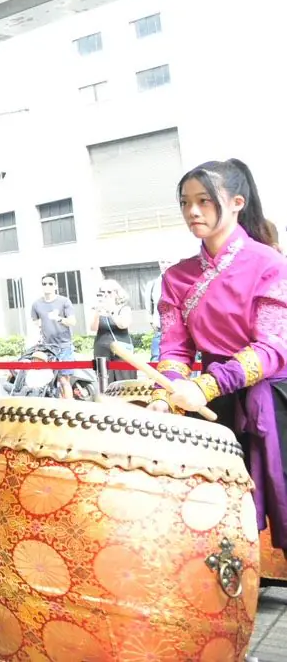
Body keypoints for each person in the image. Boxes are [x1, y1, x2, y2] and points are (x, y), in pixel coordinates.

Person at [148, 159, 287, 570]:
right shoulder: (177, 276)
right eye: (185, 202)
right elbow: (174, 349)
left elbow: (273, 347)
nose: (192, 211)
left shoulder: (270, 263)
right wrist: (166, 394)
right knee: (215, 513)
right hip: (212, 405)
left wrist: (204, 386)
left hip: (271, 399)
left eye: (205, 201)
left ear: (237, 202)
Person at [91, 279, 135, 383]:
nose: (106, 295)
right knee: (105, 381)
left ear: (117, 293)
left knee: (124, 380)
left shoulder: (124, 308)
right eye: (102, 292)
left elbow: (123, 324)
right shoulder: (97, 308)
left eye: (109, 292)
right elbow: (93, 328)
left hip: (121, 349)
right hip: (102, 350)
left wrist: (111, 311)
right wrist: (97, 313)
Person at [30, 274, 76, 362]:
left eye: (50, 284)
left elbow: (72, 322)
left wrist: (58, 318)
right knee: (48, 371)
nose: (47, 286)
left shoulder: (64, 301)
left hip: (64, 346)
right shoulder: (36, 304)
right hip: (47, 347)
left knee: (65, 371)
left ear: (55, 286)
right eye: (44, 284)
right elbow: (35, 324)